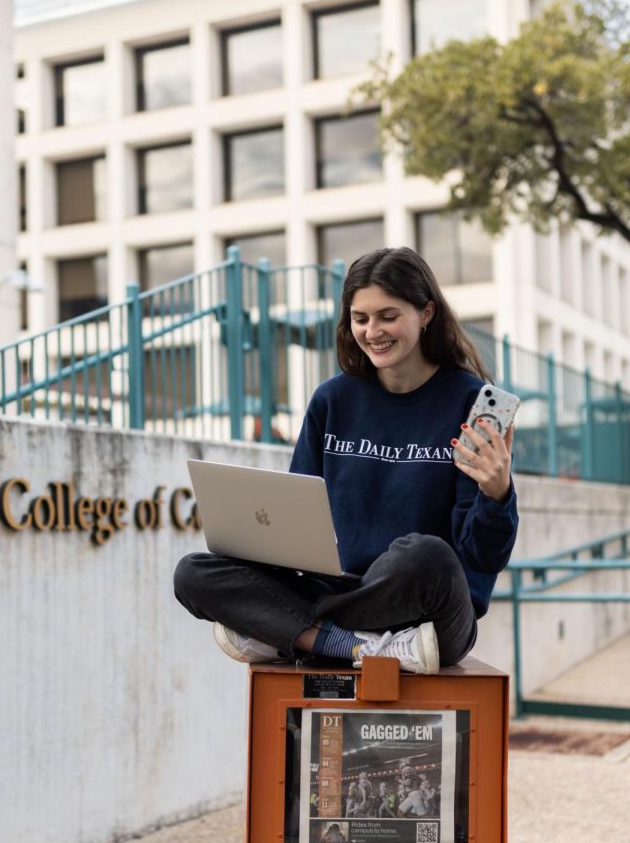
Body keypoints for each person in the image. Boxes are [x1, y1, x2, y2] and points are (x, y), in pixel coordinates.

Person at [174, 246, 519, 673]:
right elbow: (296, 522)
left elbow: (481, 557)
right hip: (335, 592)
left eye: (388, 316)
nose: (373, 331)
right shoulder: (332, 400)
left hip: (427, 618)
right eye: (361, 319)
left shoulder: (468, 403)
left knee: (426, 555)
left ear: (426, 313)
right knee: (193, 573)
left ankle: (298, 633)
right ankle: (347, 644)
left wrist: (496, 493)